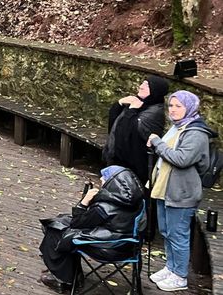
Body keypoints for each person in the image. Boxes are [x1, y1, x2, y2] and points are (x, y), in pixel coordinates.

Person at [146, 90, 216, 292]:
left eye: (179, 106)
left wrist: (157, 142)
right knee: (166, 232)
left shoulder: (196, 133)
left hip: (182, 193)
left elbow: (181, 159)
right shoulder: (177, 128)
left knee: (178, 235)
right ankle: (171, 267)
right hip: (164, 189)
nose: (173, 110)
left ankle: (180, 276)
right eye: (171, 105)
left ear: (190, 108)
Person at [38, 166, 145, 292]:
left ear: (113, 182)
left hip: (108, 248)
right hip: (129, 246)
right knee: (61, 219)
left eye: (105, 177)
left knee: (55, 229)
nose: (100, 178)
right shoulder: (137, 201)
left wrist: (84, 202)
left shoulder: (105, 207)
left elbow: (77, 223)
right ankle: (67, 270)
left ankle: (64, 280)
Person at [103, 76, 170, 183]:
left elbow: (126, 132)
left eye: (147, 85)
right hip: (119, 156)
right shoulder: (138, 103)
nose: (141, 87)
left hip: (134, 163)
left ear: (155, 90)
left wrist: (132, 110)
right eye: (142, 83)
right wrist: (119, 103)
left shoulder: (154, 113)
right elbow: (115, 124)